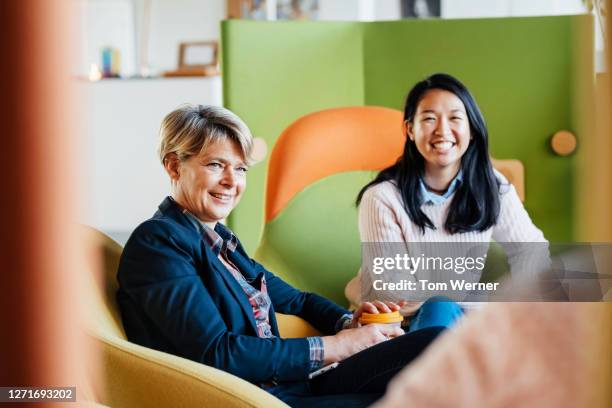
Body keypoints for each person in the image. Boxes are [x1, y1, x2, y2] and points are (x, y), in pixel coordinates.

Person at [116, 104, 461, 408]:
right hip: (258, 398)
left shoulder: (218, 239)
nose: (231, 182)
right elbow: (218, 353)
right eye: (216, 165)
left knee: (438, 342)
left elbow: (299, 301)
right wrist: (338, 346)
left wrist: (349, 323)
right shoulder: (159, 243)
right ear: (174, 166)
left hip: (295, 385)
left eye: (240, 169)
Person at [345, 73, 549, 316]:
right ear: (410, 130)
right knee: (440, 310)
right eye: (429, 119)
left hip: (463, 314)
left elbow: (530, 249)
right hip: (398, 325)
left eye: (455, 118)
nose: (442, 130)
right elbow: (396, 294)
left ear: (471, 129)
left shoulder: (491, 186)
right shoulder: (381, 197)